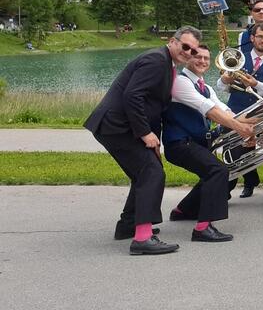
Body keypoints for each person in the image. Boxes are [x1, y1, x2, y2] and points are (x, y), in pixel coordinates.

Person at [84, 25, 202, 255]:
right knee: (151, 173)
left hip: (120, 127)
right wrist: (144, 133)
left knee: (145, 173)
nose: (188, 52)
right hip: (117, 127)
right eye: (185, 46)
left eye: (193, 51)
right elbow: (133, 95)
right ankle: (142, 238)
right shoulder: (156, 60)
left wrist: (153, 139)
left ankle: (128, 226)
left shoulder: (166, 63)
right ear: (173, 41)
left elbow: (152, 105)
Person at [163, 45, 256, 241]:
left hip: (193, 142)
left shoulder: (206, 87)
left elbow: (225, 111)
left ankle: (183, 211)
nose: (203, 61)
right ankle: (203, 228)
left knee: (213, 171)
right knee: (218, 171)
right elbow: (209, 110)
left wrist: (255, 121)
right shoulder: (180, 82)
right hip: (179, 143)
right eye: (198, 57)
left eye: (206, 58)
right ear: (187, 58)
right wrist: (240, 128)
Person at [218, 24, 263, 204]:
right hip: (237, 111)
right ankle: (224, 193)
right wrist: (225, 80)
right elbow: (221, 87)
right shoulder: (238, 58)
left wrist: (256, 84)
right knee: (232, 153)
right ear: (252, 38)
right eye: (260, 36)